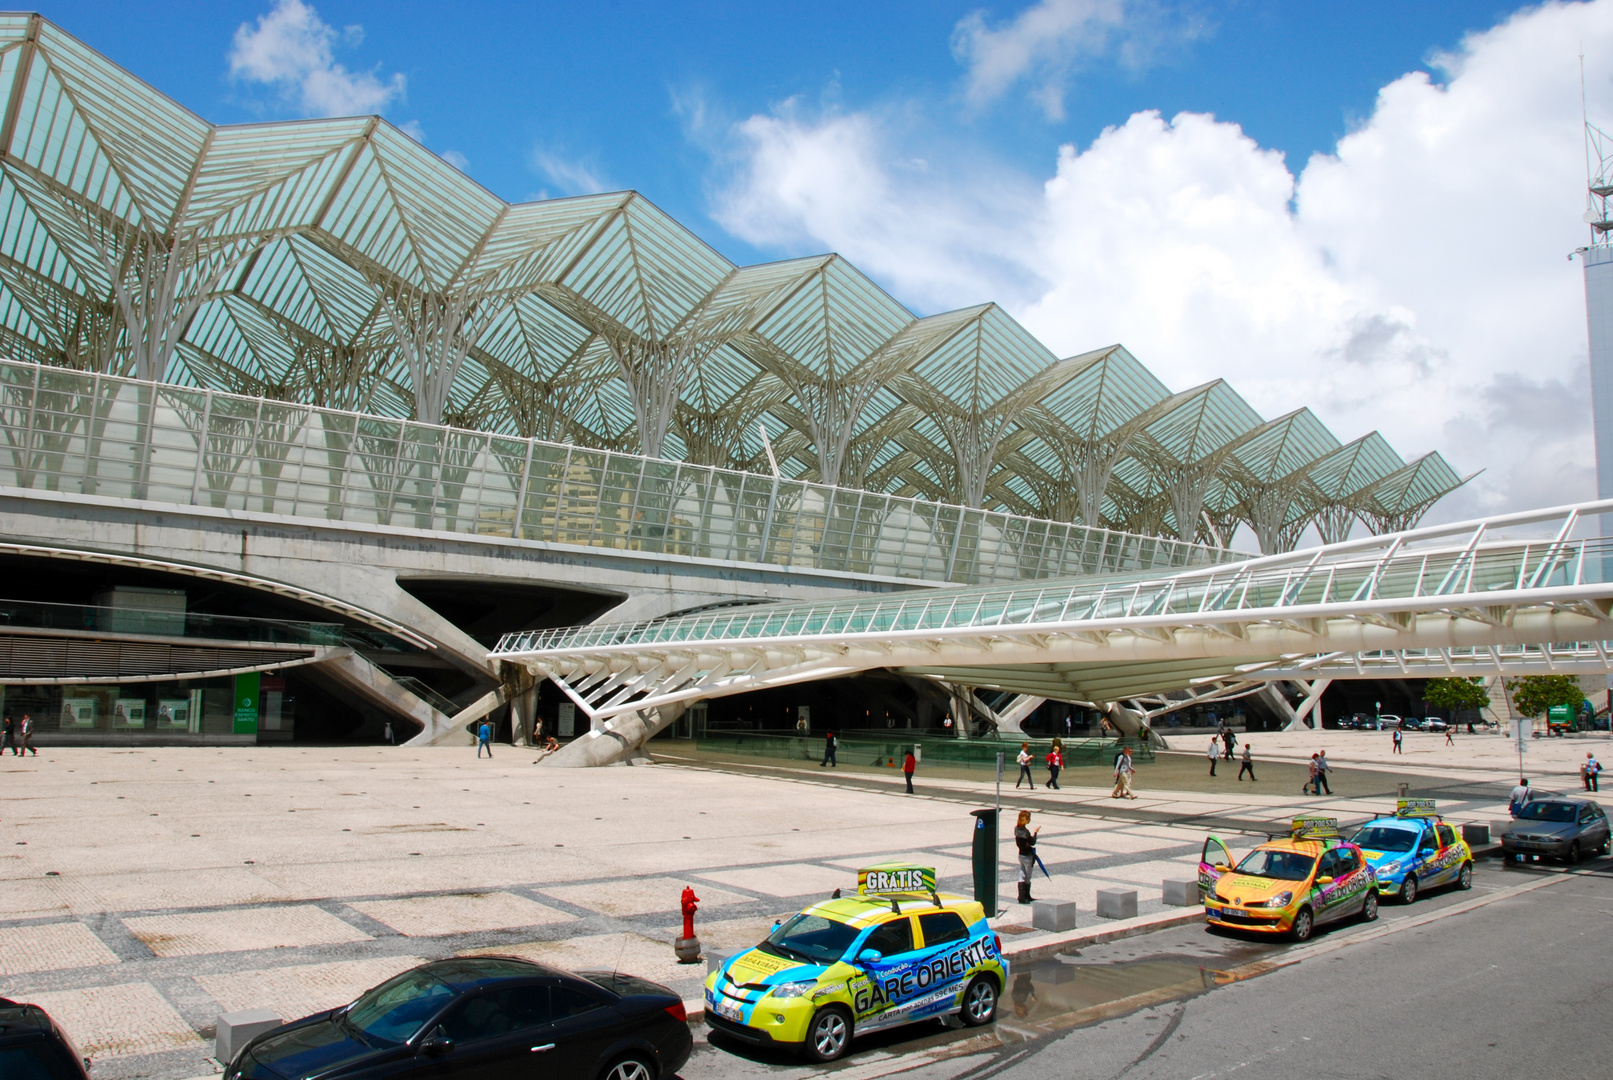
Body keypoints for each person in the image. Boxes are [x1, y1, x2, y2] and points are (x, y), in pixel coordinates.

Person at [1014, 810, 1040, 904]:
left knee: (1021, 875)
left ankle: (1021, 896)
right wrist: (1035, 833)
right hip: (1028, 856)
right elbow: (1033, 841)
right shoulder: (1025, 832)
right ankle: (1026, 896)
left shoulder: (1016, 829)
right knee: (1027, 876)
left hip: (1021, 854)